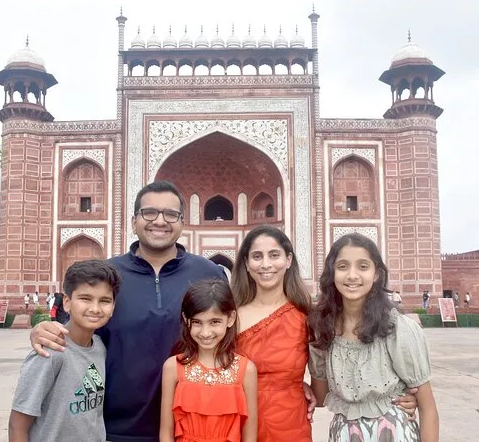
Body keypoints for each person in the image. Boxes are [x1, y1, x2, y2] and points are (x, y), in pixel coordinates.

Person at [28, 180, 225, 442]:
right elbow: (70, 332)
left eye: (170, 214)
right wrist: (43, 329)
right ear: (134, 221)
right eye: (149, 213)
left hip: (193, 424)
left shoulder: (208, 273)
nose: (160, 221)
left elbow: (231, 334)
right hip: (114, 427)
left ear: (182, 222)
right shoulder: (107, 275)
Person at [308, 233, 439, 442]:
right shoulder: (323, 329)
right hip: (345, 434)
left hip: (392, 432)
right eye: (342, 266)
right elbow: (321, 397)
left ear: (376, 273)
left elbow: (428, 407)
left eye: (363, 266)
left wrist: (400, 397)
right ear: (331, 273)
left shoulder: (395, 328)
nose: (352, 275)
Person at [8, 259, 122, 442]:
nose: (95, 309)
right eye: (85, 298)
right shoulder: (51, 352)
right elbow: (17, 425)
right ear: (67, 302)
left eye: (104, 301)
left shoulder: (99, 347)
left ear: (113, 307)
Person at [230, 225, 314, 441]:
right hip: (236, 422)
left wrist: (302, 386)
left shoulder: (306, 317)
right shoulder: (229, 317)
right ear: (246, 263)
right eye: (257, 256)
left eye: (274, 255)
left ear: (288, 260)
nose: (265, 264)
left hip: (289, 425)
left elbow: (328, 378)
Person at [160, 279, 258, 442]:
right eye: (197, 322)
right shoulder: (173, 367)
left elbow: (250, 436)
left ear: (231, 318)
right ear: (186, 319)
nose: (205, 333)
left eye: (214, 322)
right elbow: (166, 432)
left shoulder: (246, 370)